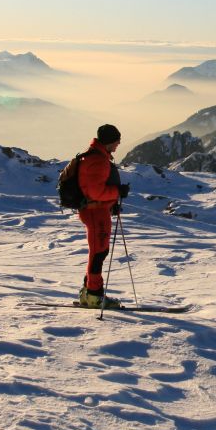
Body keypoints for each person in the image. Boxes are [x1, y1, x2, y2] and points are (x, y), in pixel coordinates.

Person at [77, 124, 130, 308]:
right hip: (95, 212)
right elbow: (96, 192)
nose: (118, 144)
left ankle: (88, 291)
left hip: (97, 210)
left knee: (97, 253)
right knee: (99, 253)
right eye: (116, 141)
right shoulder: (98, 161)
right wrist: (117, 193)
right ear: (108, 141)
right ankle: (94, 295)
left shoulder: (97, 156)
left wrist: (111, 203)